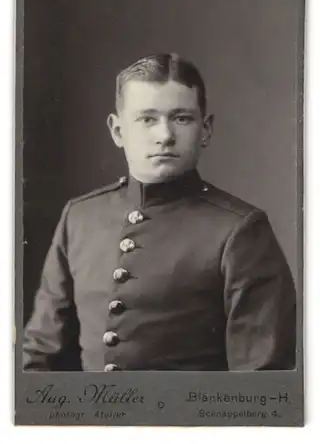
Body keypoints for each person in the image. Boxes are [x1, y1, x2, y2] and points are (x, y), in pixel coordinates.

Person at [23, 53, 296, 372]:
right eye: (147, 119)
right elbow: (41, 359)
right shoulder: (80, 217)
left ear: (205, 129)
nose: (164, 136)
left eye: (181, 118)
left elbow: (259, 387)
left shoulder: (241, 230)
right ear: (117, 130)